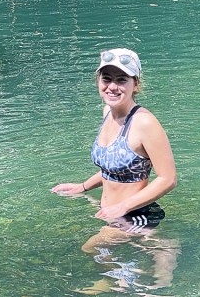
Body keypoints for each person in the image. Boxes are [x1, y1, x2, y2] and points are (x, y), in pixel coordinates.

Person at [51, 48, 176, 232]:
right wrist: (83, 186)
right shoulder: (107, 113)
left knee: (91, 250)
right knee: (105, 259)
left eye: (121, 80)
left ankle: (166, 250)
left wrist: (122, 207)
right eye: (106, 78)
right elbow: (113, 170)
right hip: (111, 214)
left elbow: (168, 179)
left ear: (136, 84)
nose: (112, 86)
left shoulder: (144, 123)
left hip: (135, 216)